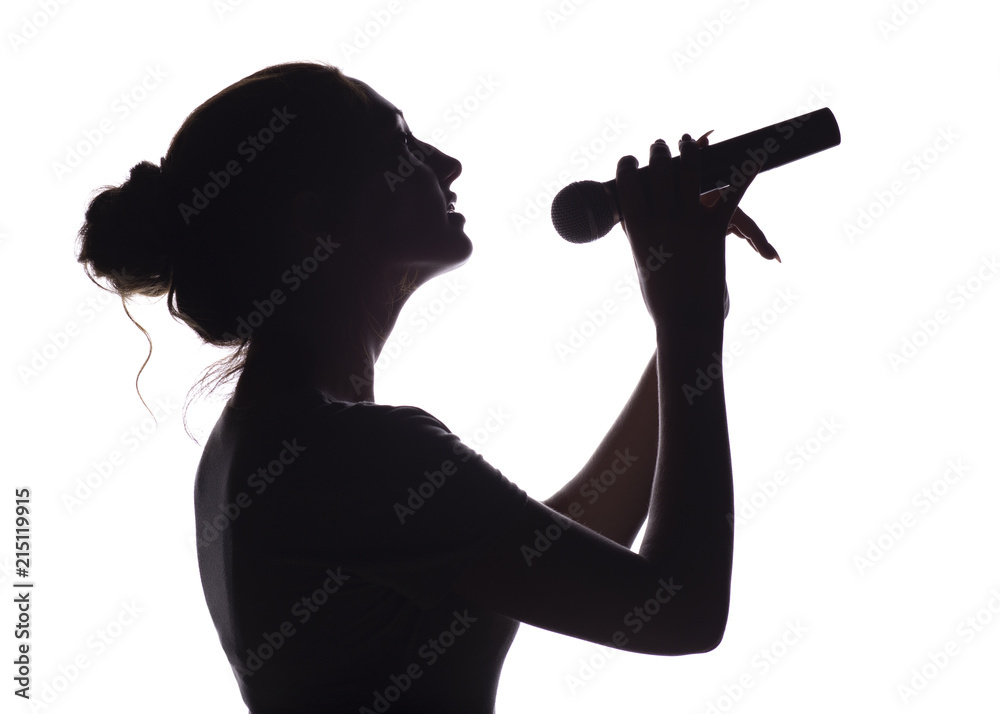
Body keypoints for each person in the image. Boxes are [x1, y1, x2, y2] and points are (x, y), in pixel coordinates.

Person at [76, 61, 778, 714]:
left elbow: (556, 548)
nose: (448, 165)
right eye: (403, 148)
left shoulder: (267, 440)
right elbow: (678, 610)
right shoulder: (346, 453)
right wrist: (684, 317)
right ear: (313, 219)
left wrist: (692, 310)